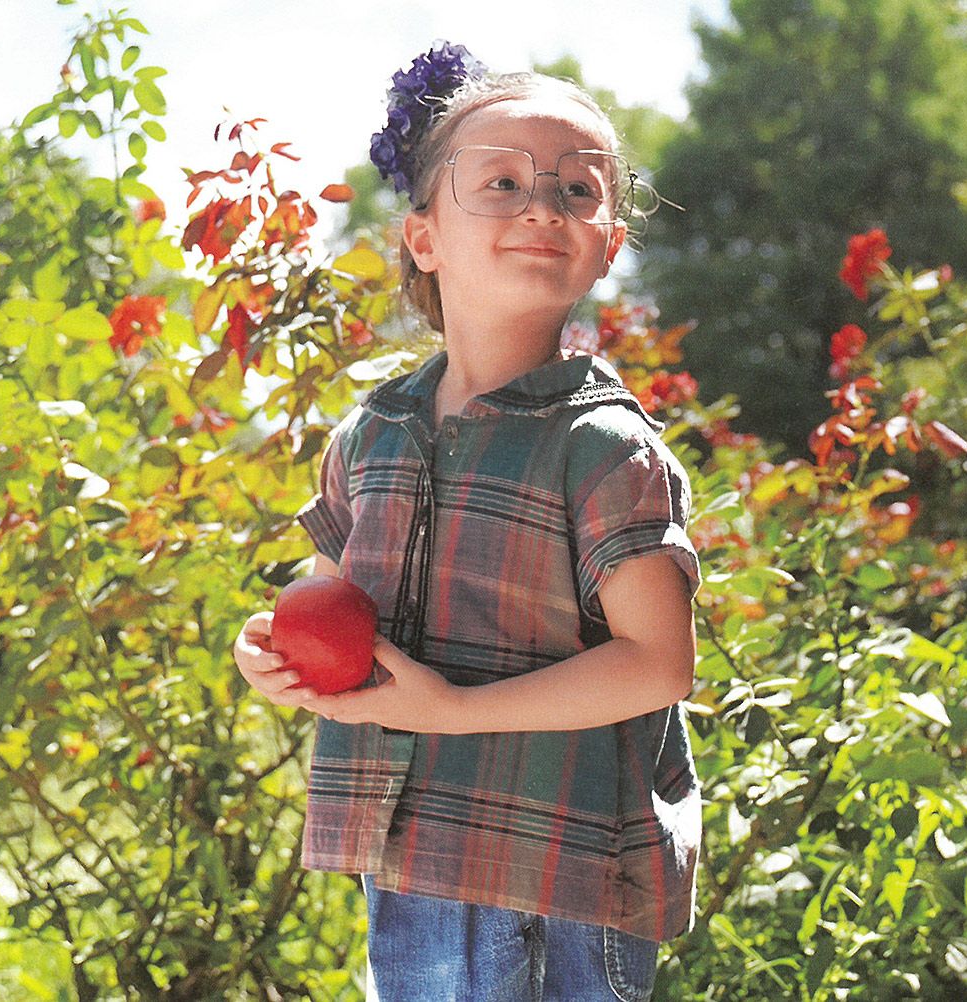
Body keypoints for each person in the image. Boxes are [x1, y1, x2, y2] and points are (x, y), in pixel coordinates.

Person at [234, 40, 702, 1002]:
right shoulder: (372, 433)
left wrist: (453, 711)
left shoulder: (603, 447)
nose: (544, 207)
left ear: (608, 246)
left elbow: (659, 664)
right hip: (412, 860)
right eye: (503, 182)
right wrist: (276, 650)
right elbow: (337, 604)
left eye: (578, 190)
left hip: (556, 869)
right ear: (423, 239)